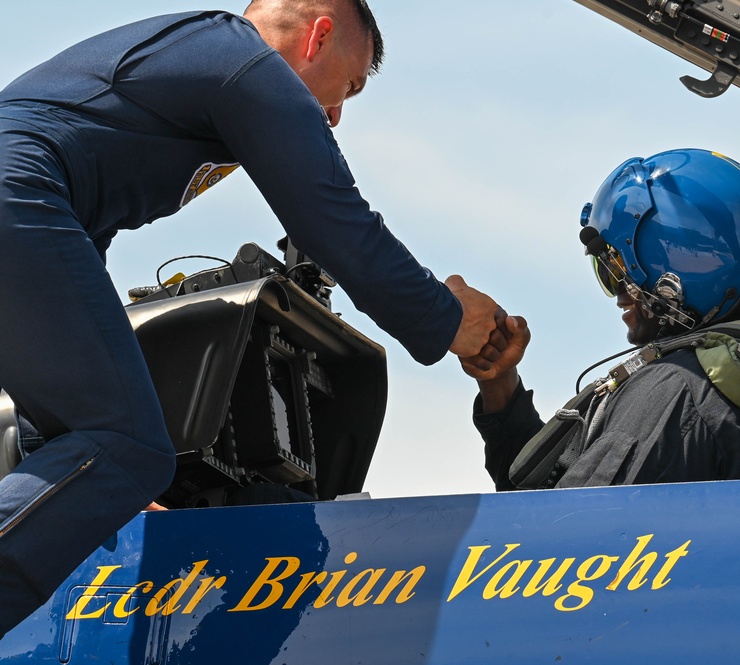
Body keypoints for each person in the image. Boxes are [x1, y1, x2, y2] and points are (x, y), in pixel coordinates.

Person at [0, 0, 497, 637]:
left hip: (28, 207)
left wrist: (90, 489)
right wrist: (451, 319)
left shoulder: (200, 65)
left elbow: (69, 273)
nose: (337, 113)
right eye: (349, 85)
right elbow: (338, 224)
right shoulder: (245, 63)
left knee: (114, 455)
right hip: (18, 194)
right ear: (318, 36)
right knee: (127, 445)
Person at [461, 148, 740, 490]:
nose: (617, 294)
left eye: (618, 271)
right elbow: (538, 498)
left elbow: (565, 532)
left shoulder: (674, 390)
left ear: (670, 269)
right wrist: (499, 384)